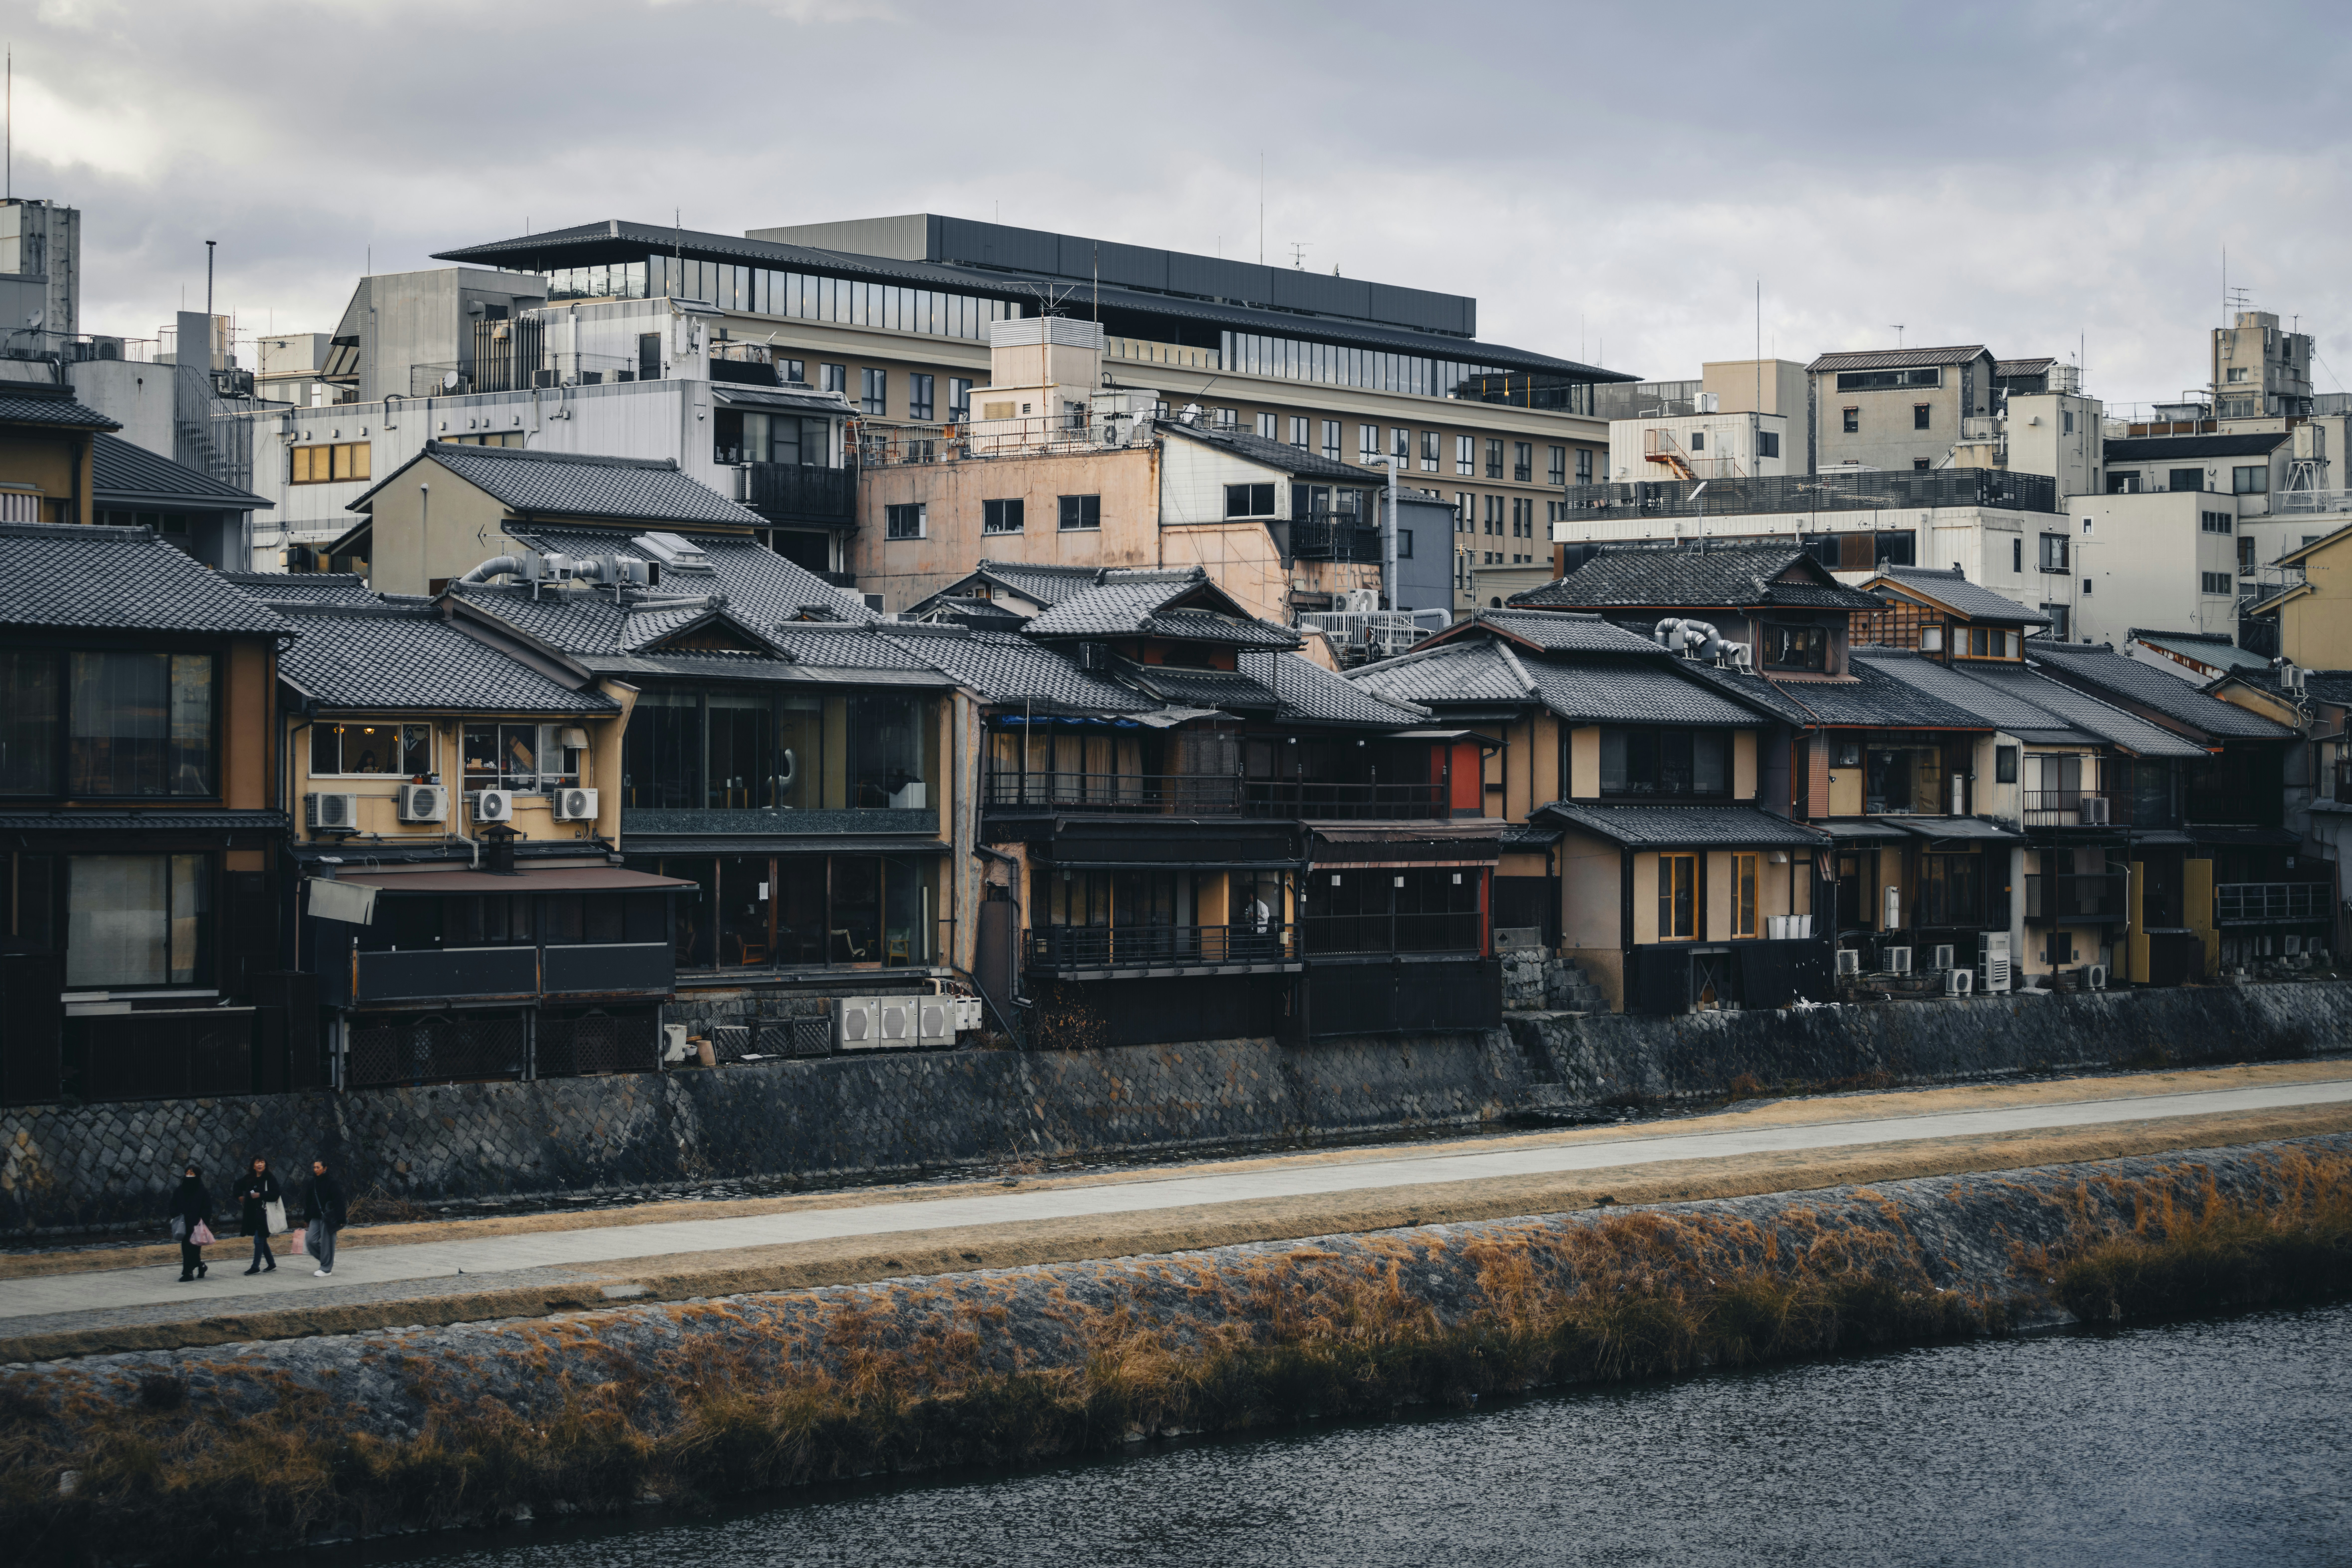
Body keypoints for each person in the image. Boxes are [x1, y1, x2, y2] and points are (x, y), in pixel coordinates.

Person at [236, 1156, 282, 1275]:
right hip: (253, 1214)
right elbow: (237, 1186)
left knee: (258, 1239)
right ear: (254, 1166)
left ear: (266, 1165)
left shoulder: (270, 1178)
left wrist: (260, 1195)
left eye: (262, 1162)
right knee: (262, 1239)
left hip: (265, 1214)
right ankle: (272, 1264)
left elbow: (276, 1194)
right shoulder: (249, 1178)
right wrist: (241, 1197)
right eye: (258, 1162)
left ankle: (255, 1267)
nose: (260, 1164)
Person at [167, 1165, 212, 1283]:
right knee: (186, 1249)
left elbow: (207, 1208)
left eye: (192, 1174)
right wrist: (177, 1214)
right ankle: (200, 1267)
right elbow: (173, 1205)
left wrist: (203, 1221)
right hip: (184, 1225)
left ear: (197, 1175)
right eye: (188, 1173)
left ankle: (188, 1273)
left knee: (193, 1249)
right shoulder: (180, 1190)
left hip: (197, 1225)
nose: (189, 1176)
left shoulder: (203, 1191)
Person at [303, 1158, 347, 1278]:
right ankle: (327, 1259)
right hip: (315, 1217)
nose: (316, 1170)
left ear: (325, 1169)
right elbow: (308, 1201)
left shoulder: (332, 1183)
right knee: (310, 1240)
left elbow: (339, 1201)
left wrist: (341, 1218)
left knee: (328, 1243)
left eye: (318, 1167)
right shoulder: (313, 1183)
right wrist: (307, 1218)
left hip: (329, 1218)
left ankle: (326, 1269)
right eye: (315, 1167)